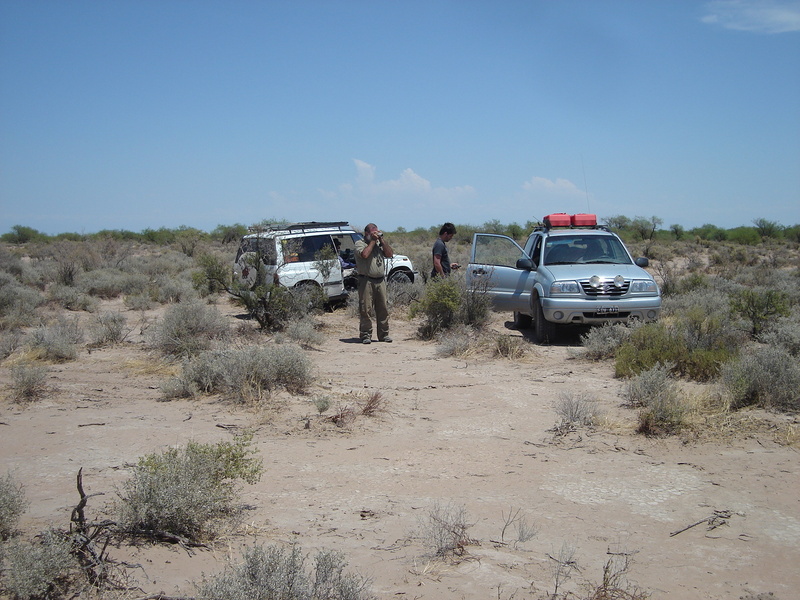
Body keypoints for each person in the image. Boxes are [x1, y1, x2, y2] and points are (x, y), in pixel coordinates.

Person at [354, 223, 394, 344]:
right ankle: (366, 335)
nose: (376, 235)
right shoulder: (359, 244)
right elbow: (365, 255)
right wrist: (372, 241)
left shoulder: (378, 244)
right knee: (366, 309)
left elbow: (389, 254)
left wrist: (381, 240)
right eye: (373, 233)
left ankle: (384, 334)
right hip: (366, 280)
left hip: (380, 280)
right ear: (367, 233)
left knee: (383, 308)